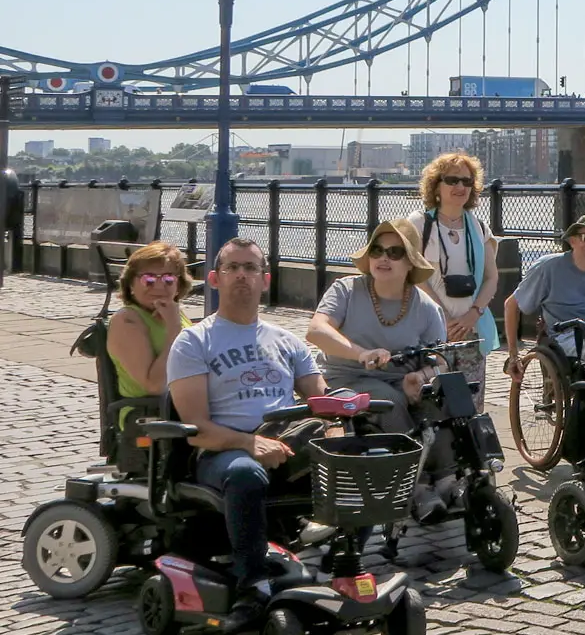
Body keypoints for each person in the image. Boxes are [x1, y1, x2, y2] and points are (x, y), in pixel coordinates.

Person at [166, 238, 326, 629]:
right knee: (245, 473)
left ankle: (346, 566)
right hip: (221, 450)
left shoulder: (288, 342)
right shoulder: (194, 341)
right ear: (215, 278)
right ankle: (252, 584)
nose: (242, 275)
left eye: (251, 268)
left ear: (265, 279)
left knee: (358, 455)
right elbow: (196, 429)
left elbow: (322, 402)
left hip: (284, 441)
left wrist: (340, 427)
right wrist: (247, 442)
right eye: (233, 267)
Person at [305, 220, 450, 521]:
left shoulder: (425, 307)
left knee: (444, 398)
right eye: (377, 250)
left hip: (401, 379)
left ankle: (452, 476)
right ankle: (417, 489)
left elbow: (440, 359)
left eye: (395, 252)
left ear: (410, 262)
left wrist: (420, 377)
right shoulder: (346, 289)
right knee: (388, 400)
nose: (384, 258)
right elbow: (317, 331)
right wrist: (361, 354)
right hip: (346, 377)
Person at [408, 153, 501, 407]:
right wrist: (444, 318)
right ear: (436, 185)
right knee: (431, 405)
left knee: (469, 407)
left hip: (471, 330)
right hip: (430, 331)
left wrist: (475, 312)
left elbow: (492, 277)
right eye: (452, 180)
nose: (460, 187)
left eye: (467, 181)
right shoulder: (418, 224)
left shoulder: (479, 227)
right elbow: (415, 276)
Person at [505, 213, 585, 377]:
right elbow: (512, 305)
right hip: (567, 335)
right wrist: (513, 354)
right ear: (572, 240)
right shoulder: (549, 267)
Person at [103, 241, 194, 425]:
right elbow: (155, 384)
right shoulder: (127, 320)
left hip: (188, 406)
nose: (159, 286)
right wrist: (174, 329)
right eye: (149, 279)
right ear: (131, 284)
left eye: (168, 279)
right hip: (149, 415)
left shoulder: (173, 313)